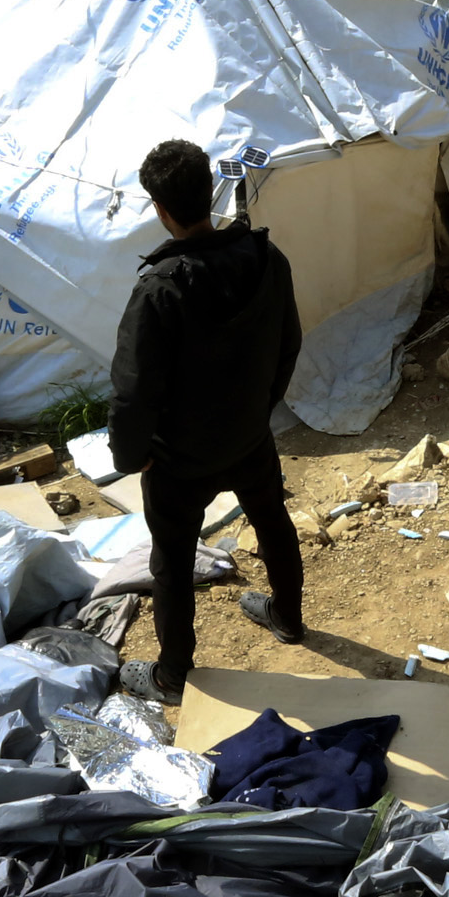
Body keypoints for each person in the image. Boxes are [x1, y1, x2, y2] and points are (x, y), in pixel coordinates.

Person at [108, 139, 307, 703]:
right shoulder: (268, 259)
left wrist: (131, 455)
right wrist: (260, 408)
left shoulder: (160, 288)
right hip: (247, 434)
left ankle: (173, 675)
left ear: (161, 209)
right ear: (209, 191)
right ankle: (288, 618)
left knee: (171, 559)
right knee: (272, 519)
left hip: (179, 454)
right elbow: (288, 342)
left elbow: (132, 389)